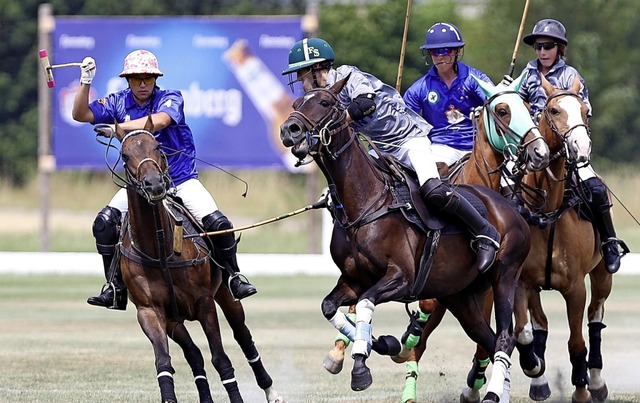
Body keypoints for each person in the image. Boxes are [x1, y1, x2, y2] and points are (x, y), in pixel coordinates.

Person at [282, 37, 501, 271]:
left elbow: (366, 104)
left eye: (301, 73)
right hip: (379, 147)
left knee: (432, 189)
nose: (300, 81)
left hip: (408, 139)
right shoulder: (321, 98)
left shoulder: (348, 76)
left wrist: (338, 122)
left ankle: (484, 232)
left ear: (318, 69)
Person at [72, 49, 257, 309]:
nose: (143, 84)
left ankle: (234, 276)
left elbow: (158, 121)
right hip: (140, 186)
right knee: (104, 223)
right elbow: (79, 115)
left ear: (156, 79)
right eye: (137, 79)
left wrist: (117, 129)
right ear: (128, 80)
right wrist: (86, 81)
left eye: (148, 78)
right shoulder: (117, 101)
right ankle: (114, 287)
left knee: (218, 222)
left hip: (179, 179)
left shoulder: (170, 97)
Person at [515, 18, 628, 273]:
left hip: (565, 151)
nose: (542, 51)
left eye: (548, 46)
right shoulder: (527, 74)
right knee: (502, 189)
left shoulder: (571, 75)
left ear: (559, 48)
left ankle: (609, 241)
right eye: (538, 46)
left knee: (596, 189)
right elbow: (515, 108)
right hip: (532, 149)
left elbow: (585, 108)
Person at [403, 22, 494, 167]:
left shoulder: (475, 78)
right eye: (434, 52)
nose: (440, 57)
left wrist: (501, 93)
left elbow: (496, 103)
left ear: (457, 51)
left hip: (478, 145)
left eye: (445, 50)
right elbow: (404, 123)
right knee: (431, 179)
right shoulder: (419, 89)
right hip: (441, 147)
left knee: (509, 181)